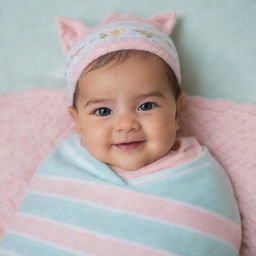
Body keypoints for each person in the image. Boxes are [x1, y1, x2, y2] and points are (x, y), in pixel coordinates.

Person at [0, 12, 241, 256]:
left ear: (177, 111)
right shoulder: (64, 165)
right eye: (103, 111)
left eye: (146, 106)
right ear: (79, 123)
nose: (125, 125)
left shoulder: (197, 176)